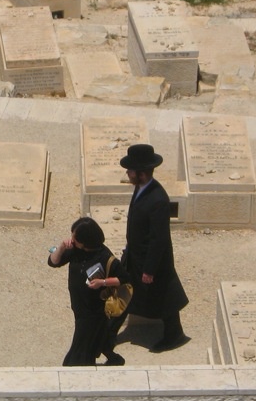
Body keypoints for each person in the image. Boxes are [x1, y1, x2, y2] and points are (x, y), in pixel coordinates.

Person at [107, 143, 190, 354]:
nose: (127, 173)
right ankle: (109, 334)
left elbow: (159, 238)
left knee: (163, 297)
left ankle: (174, 335)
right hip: (135, 255)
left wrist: (149, 269)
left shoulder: (158, 199)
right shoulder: (141, 189)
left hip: (151, 260)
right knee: (125, 290)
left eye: (131, 170)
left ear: (142, 174)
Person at [48, 217, 128, 366]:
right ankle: (113, 357)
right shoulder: (76, 250)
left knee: (79, 352)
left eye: (75, 237)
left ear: (87, 240)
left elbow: (124, 279)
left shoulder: (104, 256)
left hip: (94, 310)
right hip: (79, 305)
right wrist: (61, 247)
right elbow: (53, 262)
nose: (72, 240)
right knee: (97, 337)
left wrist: (102, 282)